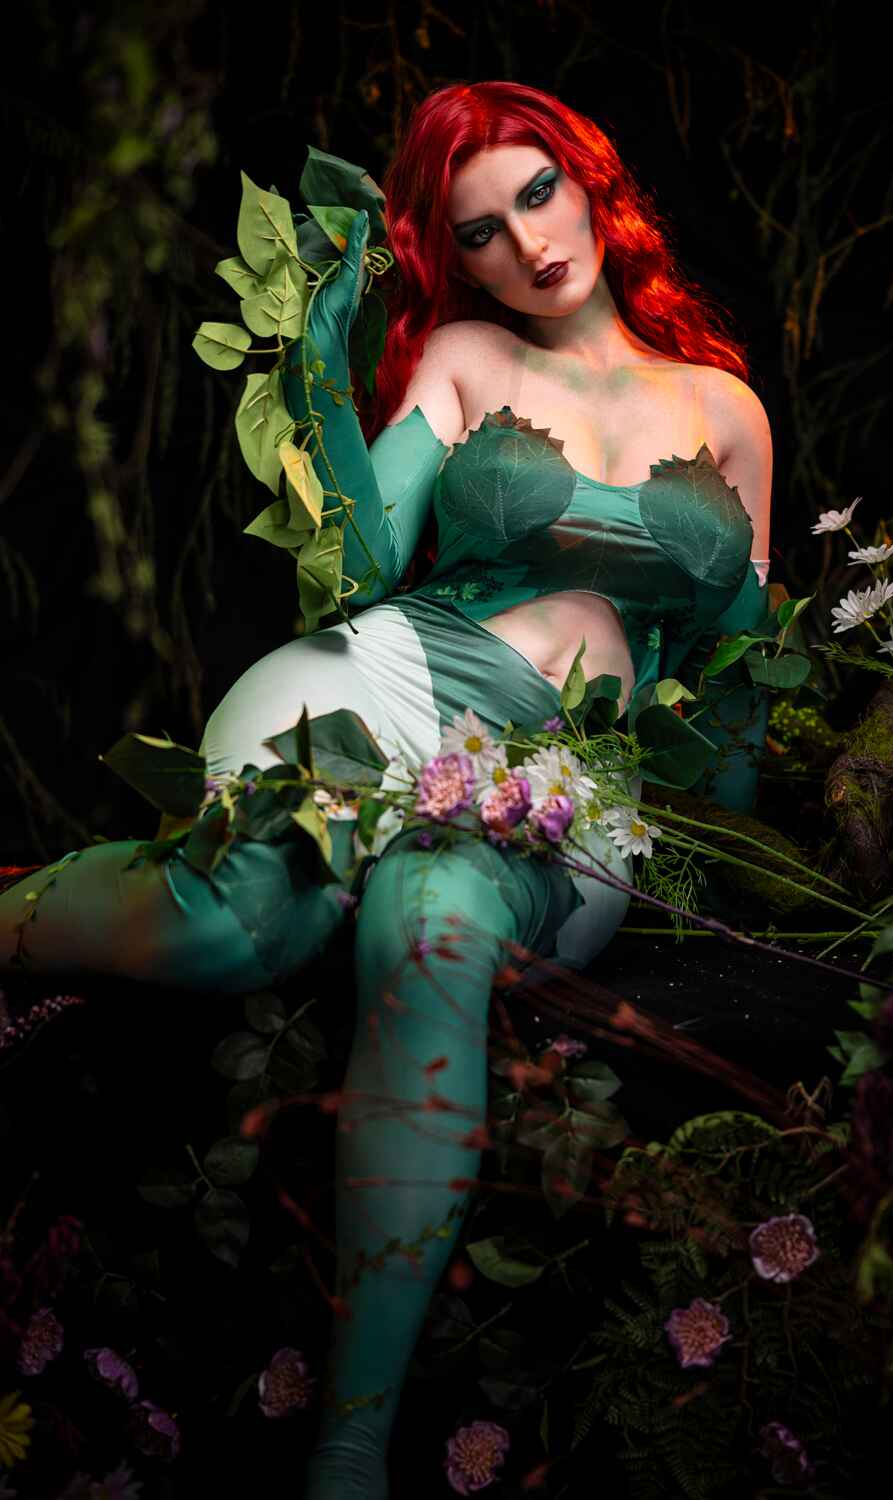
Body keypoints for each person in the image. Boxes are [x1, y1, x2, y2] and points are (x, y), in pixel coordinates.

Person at [0, 82, 772, 1498]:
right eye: (479, 231)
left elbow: (734, 705)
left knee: (433, 920)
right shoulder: (470, 357)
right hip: (392, 678)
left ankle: (348, 1451)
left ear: (589, 180)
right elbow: (355, 569)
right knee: (249, 913)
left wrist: (737, 863)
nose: (527, 243)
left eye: (538, 193)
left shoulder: (727, 413)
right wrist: (316, 358)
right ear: (454, 259)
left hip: (565, 774)